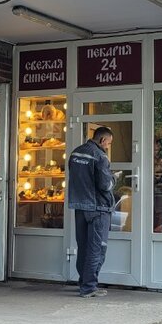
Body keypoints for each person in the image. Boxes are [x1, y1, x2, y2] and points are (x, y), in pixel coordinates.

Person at [66, 126, 115, 298]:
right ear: (102, 140)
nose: (108, 146)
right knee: (97, 248)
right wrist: (114, 178)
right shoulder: (100, 156)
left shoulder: (75, 153)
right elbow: (105, 185)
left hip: (80, 206)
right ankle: (89, 287)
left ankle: (83, 283)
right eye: (108, 143)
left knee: (84, 247)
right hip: (98, 208)